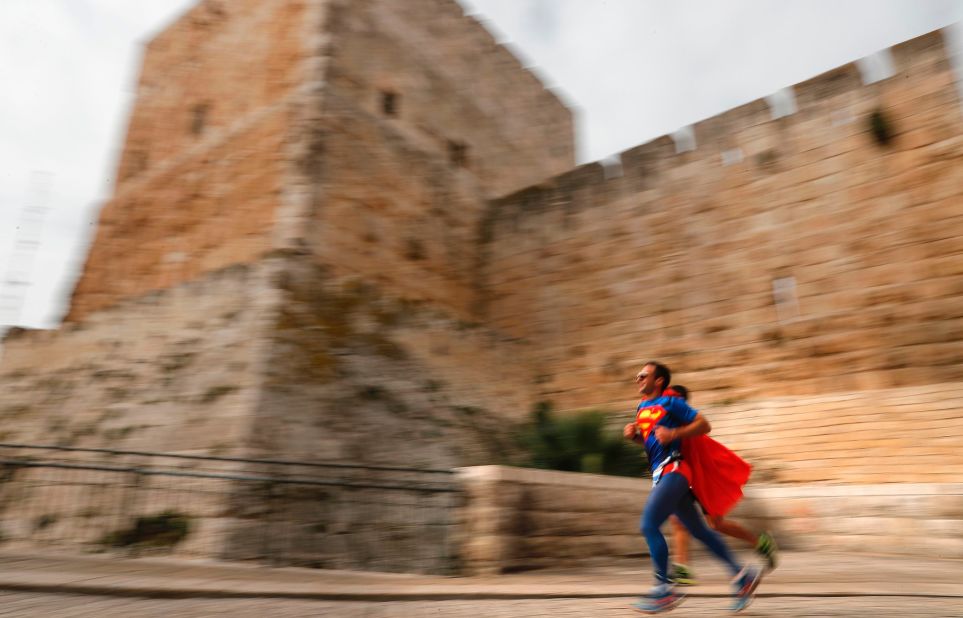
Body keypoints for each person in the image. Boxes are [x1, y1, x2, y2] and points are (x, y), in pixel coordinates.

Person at [623, 362, 762, 614]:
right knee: (700, 531)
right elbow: (653, 443)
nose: (638, 378)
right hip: (661, 473)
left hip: (674, 471)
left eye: (644, 375)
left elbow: (704, 424)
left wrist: (674, 433)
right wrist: (636, 438)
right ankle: (743, 577)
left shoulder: (671, 403)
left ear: (659, 381)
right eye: (638, 375)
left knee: (648, 524)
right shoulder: (641, 407)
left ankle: (663, 590)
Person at [663, 385, 778, 587]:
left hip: (702, 479)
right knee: (678, 520)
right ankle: (682, 569)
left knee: (716, 524)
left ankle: (760, 543)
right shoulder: (667, 420)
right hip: (682, 477)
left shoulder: (685, 422)